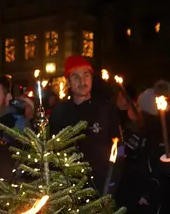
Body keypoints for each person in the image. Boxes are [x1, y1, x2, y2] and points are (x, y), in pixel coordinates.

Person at [49, 55, 121, 195]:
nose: (82, 82)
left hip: (101, 188)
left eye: (86, 75)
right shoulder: (60, 112)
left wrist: (112, 184)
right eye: (76, 77)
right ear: (68, 81)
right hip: (69, 189)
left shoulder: (106, 109)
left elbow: (118, 148)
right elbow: (53, 151)